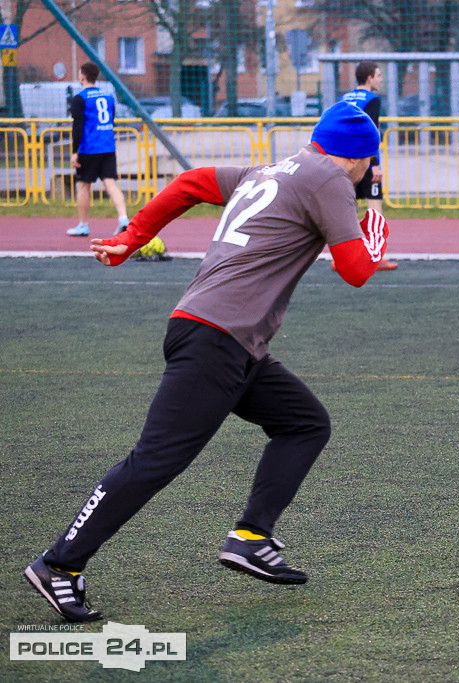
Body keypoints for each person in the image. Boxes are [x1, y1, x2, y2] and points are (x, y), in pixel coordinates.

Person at [23, 101, 390, 622]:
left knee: (305, 423)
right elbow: (355, 270)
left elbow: (192, 182)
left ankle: (250, 538)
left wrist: (133, 238)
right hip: (217, 339)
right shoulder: (330, 178)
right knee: (153, 461)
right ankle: (58, 565)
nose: (368, 175)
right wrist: (373, 235)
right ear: (359, 159)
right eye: (370, 165)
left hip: (227, 339)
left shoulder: (270, 169)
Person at [341, 61, 397, 270]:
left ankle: (343, 259)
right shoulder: (372, 99)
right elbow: (370, 132)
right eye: (379, 75)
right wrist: (375, 164)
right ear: (369, 78)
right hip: (364, 160)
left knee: (348, 209)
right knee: (375, 209)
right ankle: (377, 258)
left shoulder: (344, 98)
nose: (381, 79)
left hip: (345, 161)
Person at [66, 62, 130, 237]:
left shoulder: (80, 98)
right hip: (108, 146)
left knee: (84, 186)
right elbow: (112, 120)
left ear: (83, 77)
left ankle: (83, 225)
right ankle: (124, 218)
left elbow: (77, 127)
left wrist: (74, 151)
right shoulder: (109, 97)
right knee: (110, 183)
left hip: (89, 148)